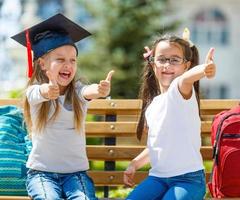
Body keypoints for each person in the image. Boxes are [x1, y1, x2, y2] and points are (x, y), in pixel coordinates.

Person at [11, 13, 114, 199]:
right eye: (60, 59)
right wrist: (47, 91)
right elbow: (37, 93)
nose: (68, 65)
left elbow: (87, 92)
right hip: (41, 174)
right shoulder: (35, 92)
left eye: (73, 60)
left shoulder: (77, 92)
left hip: (76, 174)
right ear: (42, 64)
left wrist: (100, 90)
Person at [123, 29, 216, 200]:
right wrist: (135, 163)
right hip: (157, 179)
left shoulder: (179, 91)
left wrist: (204, 69)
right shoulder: (153, 105)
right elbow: (157, 145)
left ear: (186, 65)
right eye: (162, 59)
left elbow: (186, 79)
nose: (167, 65)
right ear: (152, 63)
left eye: (174, 60)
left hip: (188, 180)